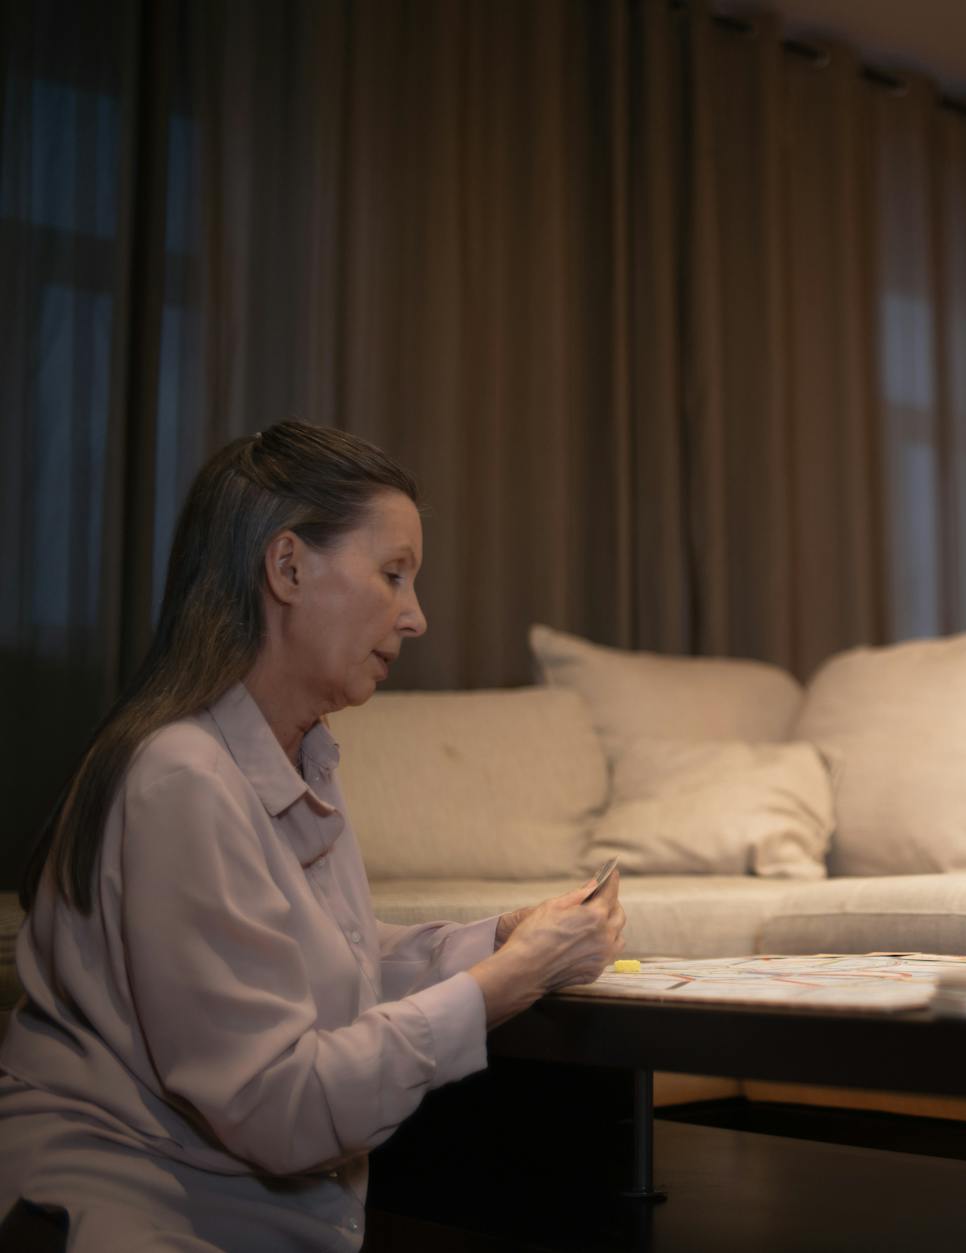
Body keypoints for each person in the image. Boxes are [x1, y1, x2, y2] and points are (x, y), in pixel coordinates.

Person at [0, 423, 626, 1250]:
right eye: (393, 574)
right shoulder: (182, 778)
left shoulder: (290, 753)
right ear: (287, 567)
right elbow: (277, 1107)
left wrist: (497, 940)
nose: (416, 617)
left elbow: (317, 957)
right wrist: (502, 983)